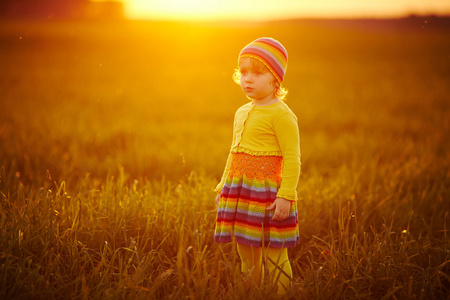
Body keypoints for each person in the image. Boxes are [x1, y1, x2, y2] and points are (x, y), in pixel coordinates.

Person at [214, 37, 301, 295]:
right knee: (246, 251)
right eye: (243, 72)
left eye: (258, 72)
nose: (248, 79)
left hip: (269, 195)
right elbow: (234, 152)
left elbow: (293, 158)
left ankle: (281, 294)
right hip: (241, 191)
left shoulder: (282, 115)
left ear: (276, 79)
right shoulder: (241, 112)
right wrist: (223, 187)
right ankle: (251, 292)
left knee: (275, 254)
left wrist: (286, 195)